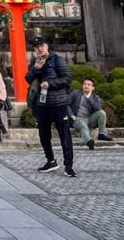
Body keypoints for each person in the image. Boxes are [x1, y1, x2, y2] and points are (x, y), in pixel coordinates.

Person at [26, 36, 75, 177]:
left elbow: (67, 78)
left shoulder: (57, 60)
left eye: (41, 45)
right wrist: (35, 69)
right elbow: (28, 79)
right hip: (42, 104)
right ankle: (51, 160)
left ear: (47, 46)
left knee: (64, 135)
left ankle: (68, 165)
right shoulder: (35, 62)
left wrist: (50, 83)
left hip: (58, 103)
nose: (39, 49)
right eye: (36, 47)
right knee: (43, 134)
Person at [69, 78, 114, 150]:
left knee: (102, 113)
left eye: (88, 85)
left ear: (93, 88)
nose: (86, 86)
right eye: (84, 84)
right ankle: (89, 142)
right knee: (83, 126)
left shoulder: (95, 97)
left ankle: (101, 133)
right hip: (77, 118)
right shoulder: (75, 93)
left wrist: (89, 98)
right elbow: (67, 105)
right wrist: (71, 115)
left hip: (89, 119)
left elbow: (98, 108)